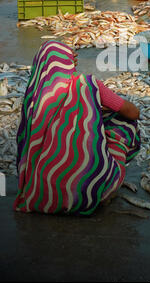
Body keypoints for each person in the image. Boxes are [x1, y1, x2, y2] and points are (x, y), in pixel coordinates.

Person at [14, 41, 141, 215]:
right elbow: (133, 113)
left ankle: (46, 188)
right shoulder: (89, 85)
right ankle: (104, 189)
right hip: (86, 196)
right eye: (70, 54)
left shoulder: (33, 98)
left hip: (41, 196)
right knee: (125, 123)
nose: (74, 56)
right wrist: (100, 107)